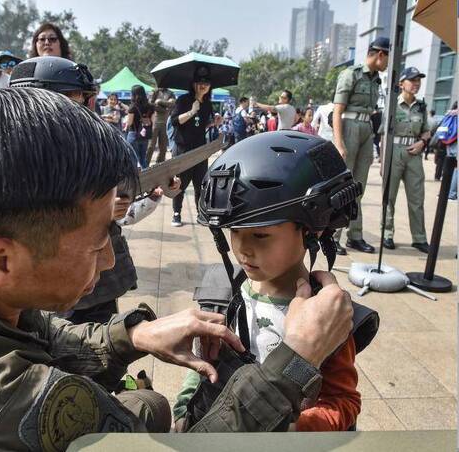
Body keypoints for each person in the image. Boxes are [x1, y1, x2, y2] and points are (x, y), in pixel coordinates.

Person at [0, 86, 355, 450]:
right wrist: (294, 360)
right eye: (96, 244)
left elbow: (34, 329)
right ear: (0, 260)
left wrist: (129, 338)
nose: (111, 259)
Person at [173, 132, 363, 432]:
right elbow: (202, 369)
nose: (243, 249)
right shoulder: (222, 293)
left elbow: (343, 401)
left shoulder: (325, 313)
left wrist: (295, 428)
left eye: (260, 235)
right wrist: (184, 409)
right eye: (234, 232)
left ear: (311, 231)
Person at [9, 56, 179, 326]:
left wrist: (151, 192)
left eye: (85, 99)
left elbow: (123, 196)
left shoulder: (98, 145)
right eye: (71, 100)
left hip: (95, 289)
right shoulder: (11, 156)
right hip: (44, 283)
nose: (83, 109)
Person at [331, 37, 390, 256]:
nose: (387, 64)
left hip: (367, 129)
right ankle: (333, 236)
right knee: (343, 186)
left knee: (359, 187)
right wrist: (339, 143)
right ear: (380, 54)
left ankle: (355, 236)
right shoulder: (351, 74)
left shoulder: (376, 81)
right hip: (349, 127)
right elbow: (337, 110)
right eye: (387, 57)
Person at [381, 67, 431, 254]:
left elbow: (426, 130)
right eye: (412, 80)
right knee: (389, 196)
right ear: (402, 83)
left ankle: (419, 238)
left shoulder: (421, 107)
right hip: (394, 152)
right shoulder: (392, 104)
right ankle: (387, 234)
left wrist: (422, 143)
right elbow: (383, 134)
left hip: (414, 153)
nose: (416, 84)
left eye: (418, 80)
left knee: (417, 198)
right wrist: (384, 160)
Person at [170, 65, 214, 227]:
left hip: (200, 150)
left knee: (201, 183)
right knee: (180, 183)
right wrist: (191, 111)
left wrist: (212, 123)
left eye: (207, 83)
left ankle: (201, 213)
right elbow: (175, 122)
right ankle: (176, 213)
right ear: (194, 84)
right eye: (199, 82)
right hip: (183, 149)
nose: (203, 85)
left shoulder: (208, 104)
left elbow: (200, 126)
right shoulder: (183, 100)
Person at [126, 85, 155, 169]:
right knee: (143, 158)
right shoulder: (150, 106)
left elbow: (129, 122)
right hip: (145, 135)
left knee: (134, 158)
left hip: (133, 134)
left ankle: (136, 178)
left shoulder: (132, 107)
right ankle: (146, 176)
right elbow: (153, 121)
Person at [146, 87, 176, 165]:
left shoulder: (170, 93)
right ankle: (145, 164)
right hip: (154, 122)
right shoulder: (154, 92)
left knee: (163, 148)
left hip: (165, 123)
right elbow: (150, 104)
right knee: (151, 146)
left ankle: (159, 164)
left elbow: (172, 104)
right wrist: (164, 107)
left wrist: (159, 101)